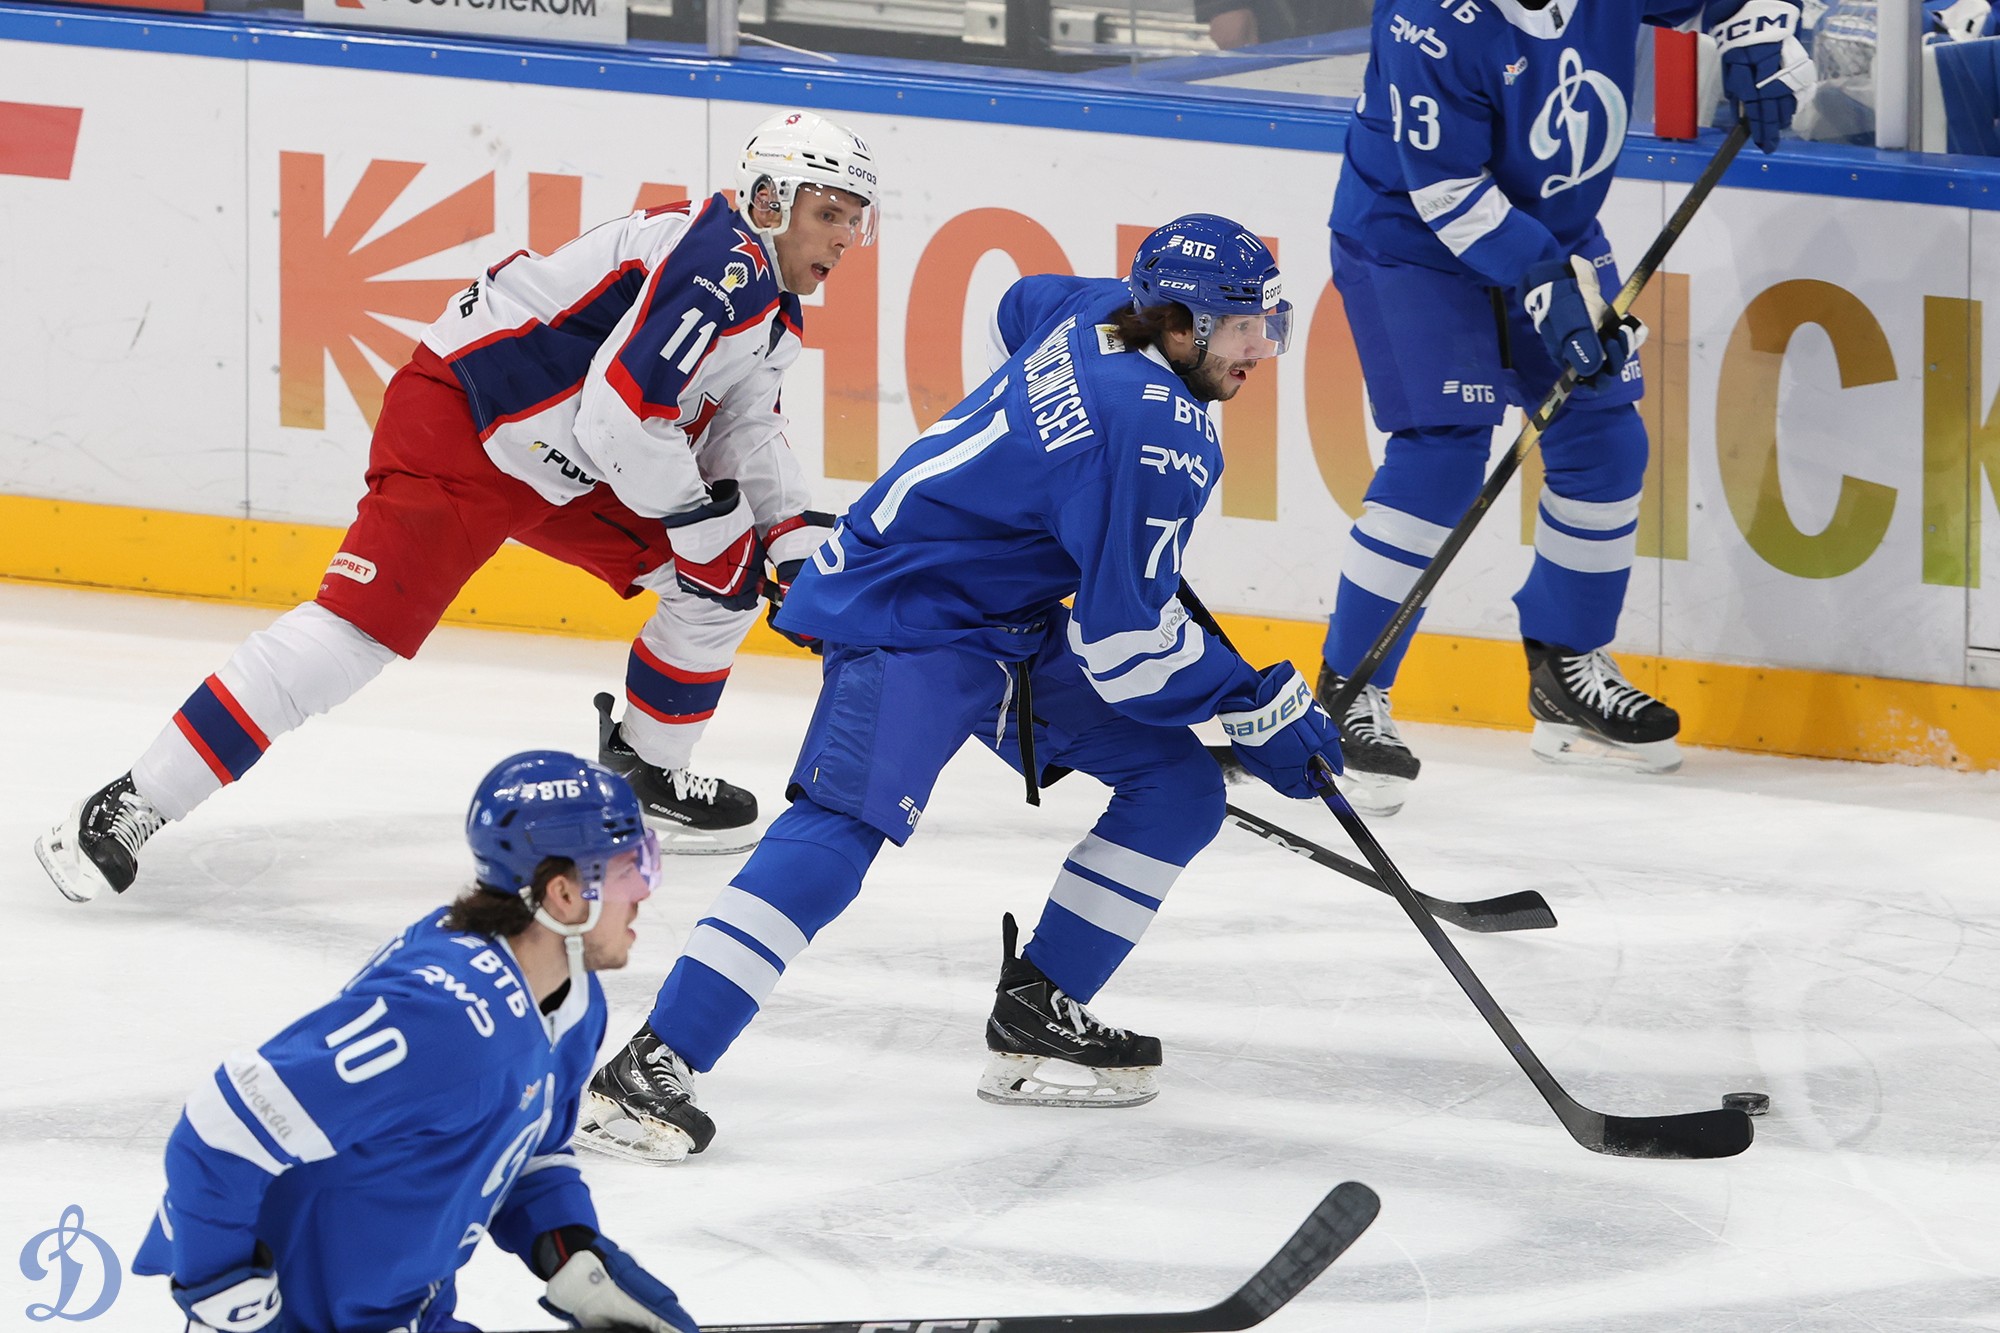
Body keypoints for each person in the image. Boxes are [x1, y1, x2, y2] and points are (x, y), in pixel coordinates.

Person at [571, 215, 1345, 1165]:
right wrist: (1256, 705)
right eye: (1243, 329)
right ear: (1180, 324)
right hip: (912, 611)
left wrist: (1052, 480)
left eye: (1269, 326)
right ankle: (650, 1065)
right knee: (841, 829)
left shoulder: (1103, 307)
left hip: (1004, 615)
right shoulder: (1159, 434)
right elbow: (1124, 648)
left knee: (1178, 789)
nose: (1260, 351)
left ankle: (1040, 1008)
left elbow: (1017, 308)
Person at [34, 110, 878, 902]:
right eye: (828, 213)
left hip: (569, 461)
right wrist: (706, 526)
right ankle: (134, 798)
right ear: (770, 199)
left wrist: (788, 539)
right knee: (352, 636)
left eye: (854, 219)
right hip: (468, 420)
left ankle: (646, 772)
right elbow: (619, 416)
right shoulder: (720, 264)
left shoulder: (772, 306)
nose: (844, 237)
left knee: (719, 587)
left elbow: (743, 427)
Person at [1315, 0, 1815, 814]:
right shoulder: (1428, 19)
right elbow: (1447, 191)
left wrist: (1762, 33)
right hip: (1412, 242)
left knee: (1606, 441)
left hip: (1553, 233)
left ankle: (1565, 669)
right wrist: (1546, 283)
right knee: (1441, 454)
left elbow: (1736, 2)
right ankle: (1348, 690)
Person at [130, 751, 697, 1333]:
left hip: (409, 1310)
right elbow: (222, 1127)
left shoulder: (573, 1001)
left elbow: (526, 1148)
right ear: (564, 894)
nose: (644, 893)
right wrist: (229, 1301)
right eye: (630, 870)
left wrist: (573, 1254)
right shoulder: (446, 1018)